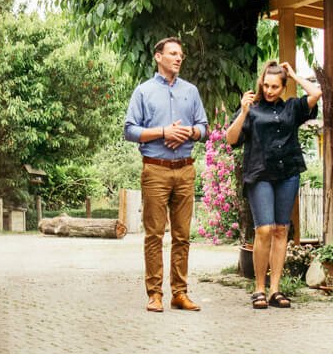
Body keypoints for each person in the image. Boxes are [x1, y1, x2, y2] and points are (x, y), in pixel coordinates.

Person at [226, 59, 321, 309]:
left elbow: (317, 93)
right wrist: (244, 112)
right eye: (266, 85)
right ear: (261, 84)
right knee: (264, 230)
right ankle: (259, 288)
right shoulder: (252, 108)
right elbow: (230, 139)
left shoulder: (292, 108)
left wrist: (295, 75)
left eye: (275, 87)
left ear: (283, 87)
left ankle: (275, 290)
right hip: (260, 174)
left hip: (288, 173)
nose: (269, 91)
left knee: (281, 230)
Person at [123, 36, 209, 313]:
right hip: (155, 169)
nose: (178, 58)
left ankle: (180, 293)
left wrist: (189, 132)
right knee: (154, 235)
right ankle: (155, 294)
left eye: (181, 55)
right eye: (173, 53)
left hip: (185, 168)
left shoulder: (191, 91)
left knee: (183, 235)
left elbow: (204, 127)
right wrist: (163, 132)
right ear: (158, 57)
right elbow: (129, 130)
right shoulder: (143, 92)